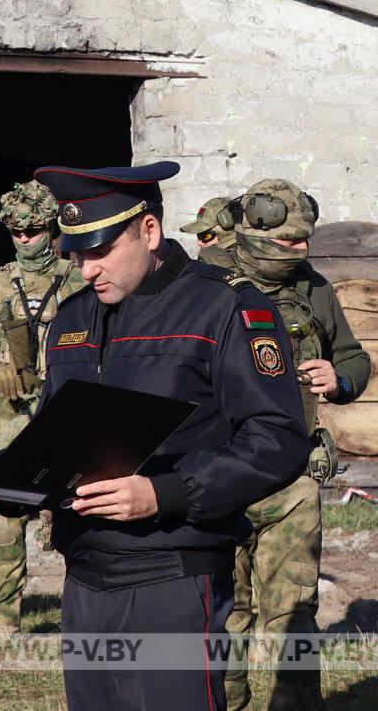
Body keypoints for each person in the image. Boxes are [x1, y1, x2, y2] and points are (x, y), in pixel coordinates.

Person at [32, 162, 307, 710]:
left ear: (149, 232)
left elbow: (278, 437)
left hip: (172, 576)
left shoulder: (226, 307)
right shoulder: (70, 318)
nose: (87, 270)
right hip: (84, 574)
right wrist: (4, 481)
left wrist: (166, 493)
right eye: (78, 255)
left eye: (100, 251)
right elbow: (52, 431)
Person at [223, 179, 370, 711]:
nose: (302, 251)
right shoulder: (206, 286)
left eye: (305, 240)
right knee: (224, 615)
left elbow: (355, 358)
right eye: (290, 244)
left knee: (293, 614)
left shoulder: (314, 290)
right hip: (218, 475)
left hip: (291, 482)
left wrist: (340, 377)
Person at [0, 182, 86, 633]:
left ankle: (80, 616)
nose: (26, 239)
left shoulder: (78, 280)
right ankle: (5, 621)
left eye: (33, 230)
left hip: (67, 421)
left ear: (49, 227)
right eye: (17, 232)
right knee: (4, 524)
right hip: (9, 423)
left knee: (76, 520)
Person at [182, 196, 236, 267]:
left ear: (226, 232)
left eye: (205, 236)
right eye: (198, 235)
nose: (199, 243)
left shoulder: (245, 257)